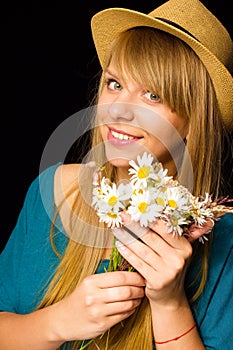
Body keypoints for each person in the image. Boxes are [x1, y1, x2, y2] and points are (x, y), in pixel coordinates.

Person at [0, 0, 233, 349]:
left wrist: (170, 302)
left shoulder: (223, 239)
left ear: (192, 122)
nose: (120, 110)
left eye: (153, 95)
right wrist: (59, 321)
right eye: (115, 84)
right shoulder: (53, 190)